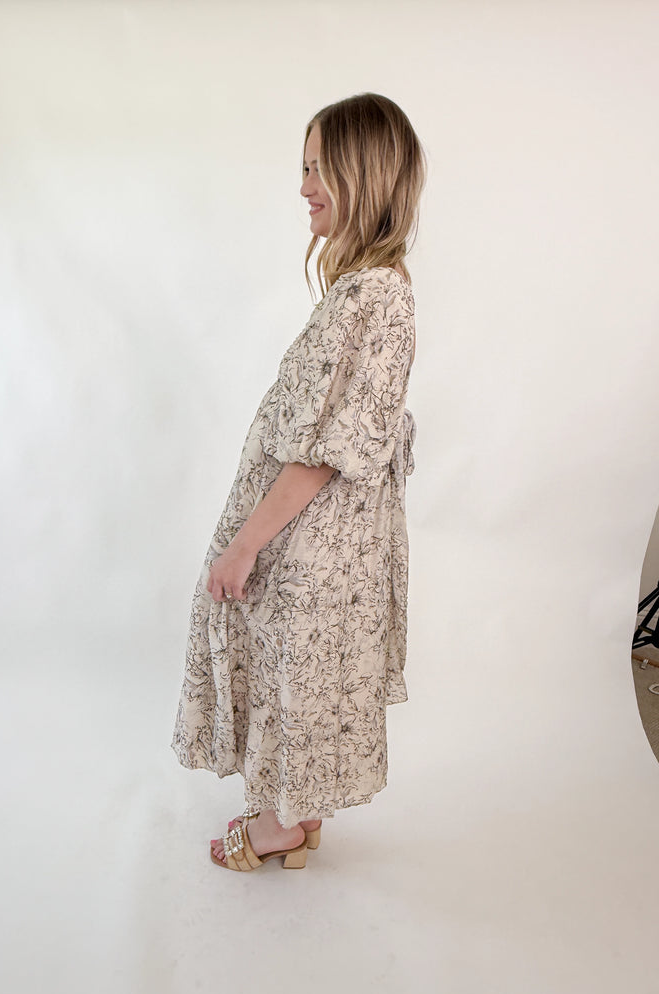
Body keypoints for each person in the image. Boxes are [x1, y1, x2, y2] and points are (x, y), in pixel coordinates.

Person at [171, 92, 427, 872]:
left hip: (312, 537)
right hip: (320, 532)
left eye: (319, 167)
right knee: (303, 668)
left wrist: (245, 544)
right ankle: (298, 811)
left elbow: (324, 450)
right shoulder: (364, 292)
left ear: (363, 173)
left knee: (298, 662)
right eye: (304, 166)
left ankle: (282, 826)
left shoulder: (375, 296)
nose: (305, 185)